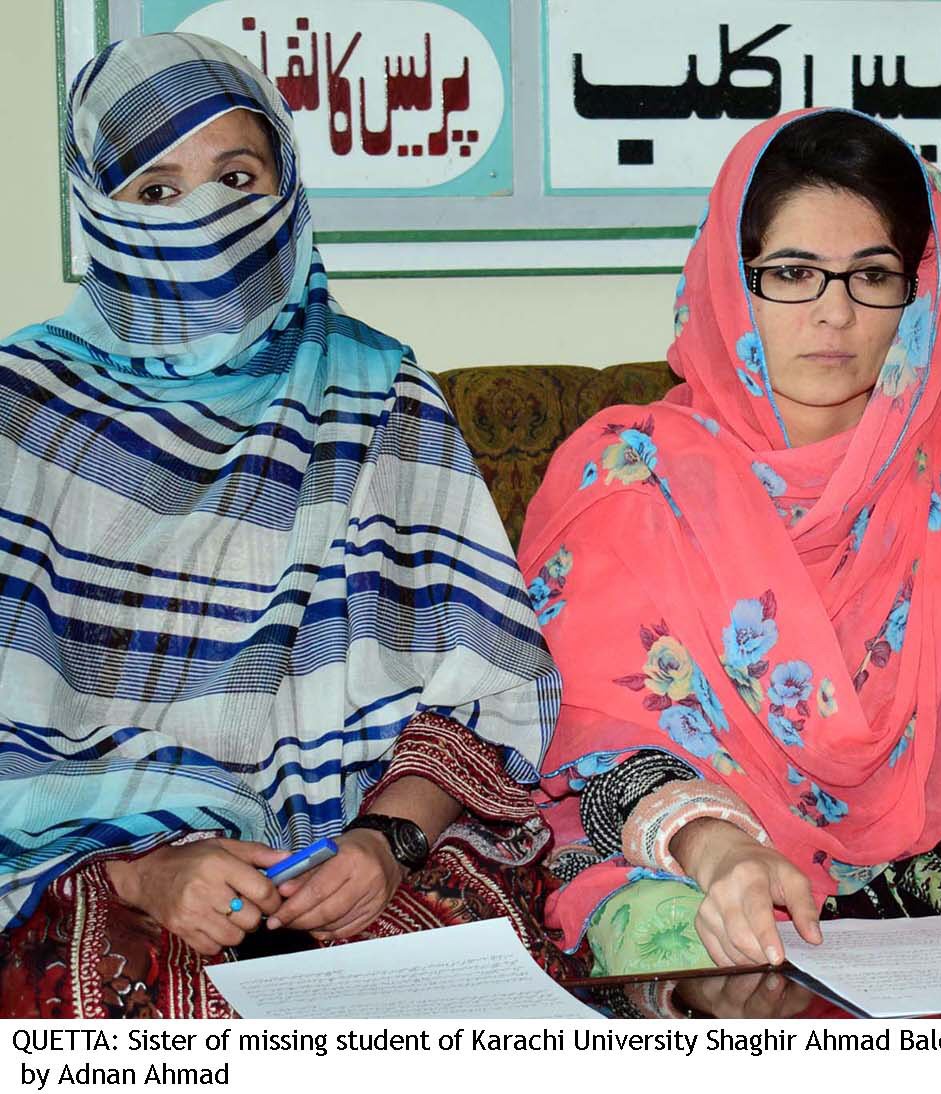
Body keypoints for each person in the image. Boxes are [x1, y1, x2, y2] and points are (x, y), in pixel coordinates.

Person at [0, 33, 565, 1018]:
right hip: (77, 874)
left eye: (236, 175)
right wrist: (142, 872)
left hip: (349, 856)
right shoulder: (25, 411)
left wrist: (383, 843)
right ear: (98, 205)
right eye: (158, 192)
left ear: (287, 186)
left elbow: (487, 682)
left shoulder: (372, 387)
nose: (208, 215)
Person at [518, 109, 941, 975]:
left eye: (873, 275)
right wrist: (717, 848)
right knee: (676, 942)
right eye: (791, 273)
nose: (835, 312)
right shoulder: (626, 477)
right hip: (687, 850)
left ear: (917, 291)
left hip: (939, 847)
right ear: (728, 281)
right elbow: (599, 746)